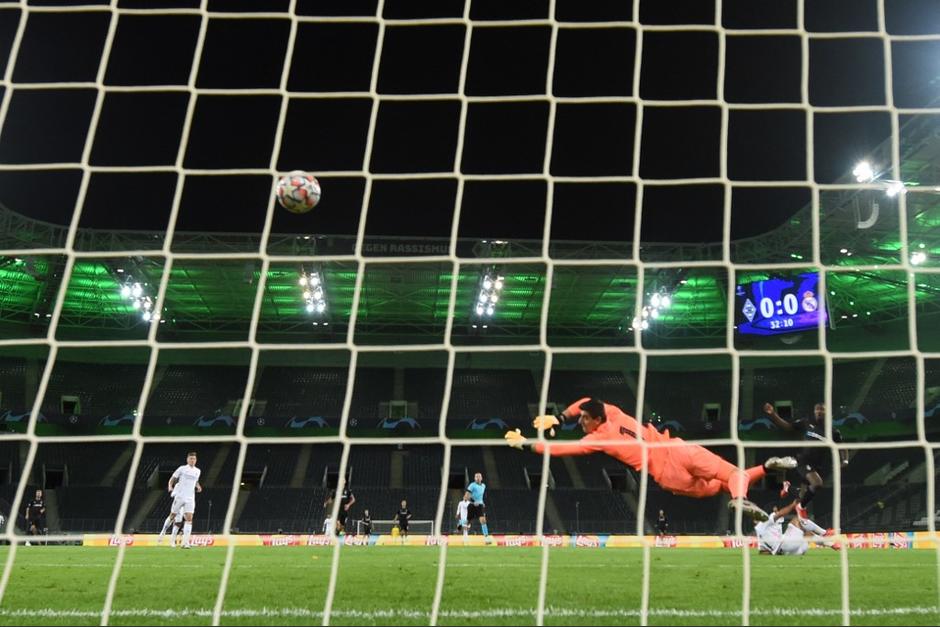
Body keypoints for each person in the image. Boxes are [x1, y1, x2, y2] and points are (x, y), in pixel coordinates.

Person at [506, 397, 797, 519]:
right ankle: (762, 472)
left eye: (584, 418)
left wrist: (525, 445)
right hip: (677, 448)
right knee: (731, 476)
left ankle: (742, 496)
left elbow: (558, 450)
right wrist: (560, 417)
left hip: (668, 474)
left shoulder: (598, 439)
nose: (580, 421)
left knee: (716, 488)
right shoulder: (614, 412)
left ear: (597, 420)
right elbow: (587, 400)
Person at [763, 402, 849, 518]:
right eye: (817, 409)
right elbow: (788, 427)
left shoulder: (833, 432)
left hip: (817, 466)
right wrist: (773, 414)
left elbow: (842, 447)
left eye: (822, 409)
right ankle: (801, 507)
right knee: (817, 484)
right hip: (804, 461)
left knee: (802, 495)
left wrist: (845, 460)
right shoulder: (806, 422)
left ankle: (789, 488)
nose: (819, 411)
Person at [752, 499, 839, 555]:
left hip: (790, 552)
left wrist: (773, 554)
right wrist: (793, 505)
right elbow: (780, 514)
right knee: (798, 519)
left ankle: (832, 544)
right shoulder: (766, 520)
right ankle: (825, 533)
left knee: (806, 534)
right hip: (787, 546)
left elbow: (763, 551)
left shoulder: (759, 530)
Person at [167, 452, 202, 549]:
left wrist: (198, 486)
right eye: (191, 458)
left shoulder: (198, 471)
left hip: (190, 498)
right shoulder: (182, 469)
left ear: (196, 460)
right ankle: (165, 533)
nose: (192, 460)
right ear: (187, 459)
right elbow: (173, 478)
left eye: (194, 459)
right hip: (180, 497)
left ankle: (185, 543)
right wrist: (170, 486)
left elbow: (196, 481)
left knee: (189, 519)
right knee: (173, 518)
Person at [466, 472, 492, 541]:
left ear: (481, 478)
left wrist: (482, 502)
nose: (478, 478)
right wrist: (473, 502)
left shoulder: (483, 486)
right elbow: (466, 497)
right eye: (476, 477)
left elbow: (480, 496)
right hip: (472, 505)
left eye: (479, 476)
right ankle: (465, 534)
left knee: (483, 521)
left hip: (480, 506)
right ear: (474, 478)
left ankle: (486, 538)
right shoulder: (472, 485)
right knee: (468, 522)